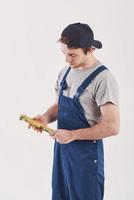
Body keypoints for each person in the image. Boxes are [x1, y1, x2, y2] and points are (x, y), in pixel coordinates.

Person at [29, 22, 120, 200]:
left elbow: (112, 127)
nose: (67, 60)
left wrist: (72, 135)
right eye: (64, 53)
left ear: (90, 49)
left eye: (72, 55)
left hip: (86, 158)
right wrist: (45, 118)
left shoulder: (103, 79)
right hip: (62, 153)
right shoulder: (65, 73)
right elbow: (58, 106)